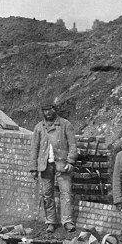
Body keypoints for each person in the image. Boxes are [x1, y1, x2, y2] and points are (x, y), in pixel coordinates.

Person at [30, 99, 77, 233]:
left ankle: (67, 221)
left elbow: (73, 145)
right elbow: (34, 148)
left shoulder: (65, 124)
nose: (48, 113)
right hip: (45, 165)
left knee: (66, 193)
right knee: (47, 194)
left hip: (62, 165)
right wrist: (33, 167)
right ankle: (51, 221)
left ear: (55, 110)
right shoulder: (39, 127)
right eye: (45, 111)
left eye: (50, 110)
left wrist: (70, 161)